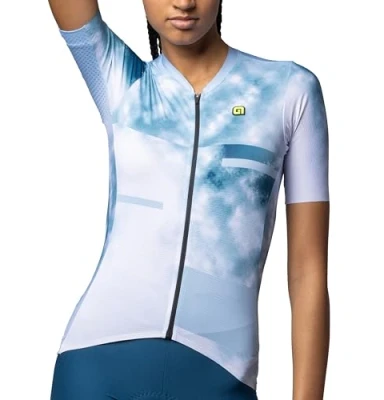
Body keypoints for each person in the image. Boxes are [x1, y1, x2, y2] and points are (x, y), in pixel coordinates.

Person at [48, 1, 330, 399]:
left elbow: (307, 271)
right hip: (94, 368)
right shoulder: (121, 82)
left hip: (220, 375)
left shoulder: (288, 91)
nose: (183, 2)